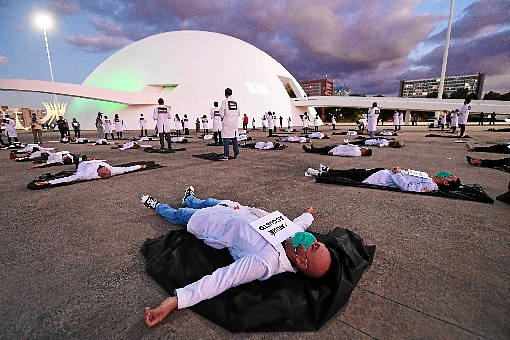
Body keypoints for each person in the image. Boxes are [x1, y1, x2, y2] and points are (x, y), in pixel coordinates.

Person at [140, 188, 332, 327]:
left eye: (313, 246)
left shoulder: (265, 261)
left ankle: (157, 206)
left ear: (300, 261)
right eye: (317, 242)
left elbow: (223, 279)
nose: (312, 239)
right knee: (206, 201)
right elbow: (301, 224)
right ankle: (189, 198)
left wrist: (175, 301)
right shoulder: (295, 236)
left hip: (213, 222)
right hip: (233, 208)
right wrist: (308, 214)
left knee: (179, 214)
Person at [318, 166, 461, 193]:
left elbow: (406, 187)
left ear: (446, 182)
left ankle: (323, 174)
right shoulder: (429, 178)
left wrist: (398, 173)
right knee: (353, 172)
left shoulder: (430, 186)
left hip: (379, 179)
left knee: (350, 175)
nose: (447, 174)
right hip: (383, 172)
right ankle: (327, 170)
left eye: (450, 177)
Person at [33, 160, 146, 187]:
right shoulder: (111, 169)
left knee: (79, 162)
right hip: (92, 161)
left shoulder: (85, 174)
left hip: (82, 165)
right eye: (108, 172)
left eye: (107, 173)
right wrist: (139, 166)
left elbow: (67, 179)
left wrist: (48, 182)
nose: (108, 171)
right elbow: (126, 168)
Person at [219, 88, 240, 160]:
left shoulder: (224, 102)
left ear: (225, 94)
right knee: (234, 138)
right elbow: (239, 113)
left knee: (226, 138)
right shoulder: (236, 102)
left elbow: (221, 113)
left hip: (227, 122)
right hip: (234, 122)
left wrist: (223, 117)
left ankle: (226, 155)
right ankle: (236, 153)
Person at [302, 143, 372, 157]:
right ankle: (314, 148)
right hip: (339, 147)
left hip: (336, 150)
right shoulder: (359, 149)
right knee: (324, 148)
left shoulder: (356, 153)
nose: (364, 148)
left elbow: (344, 154)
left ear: (365, 152)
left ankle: (309, 150)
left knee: (324, 149)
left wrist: (334, 153)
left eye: (365, 149)